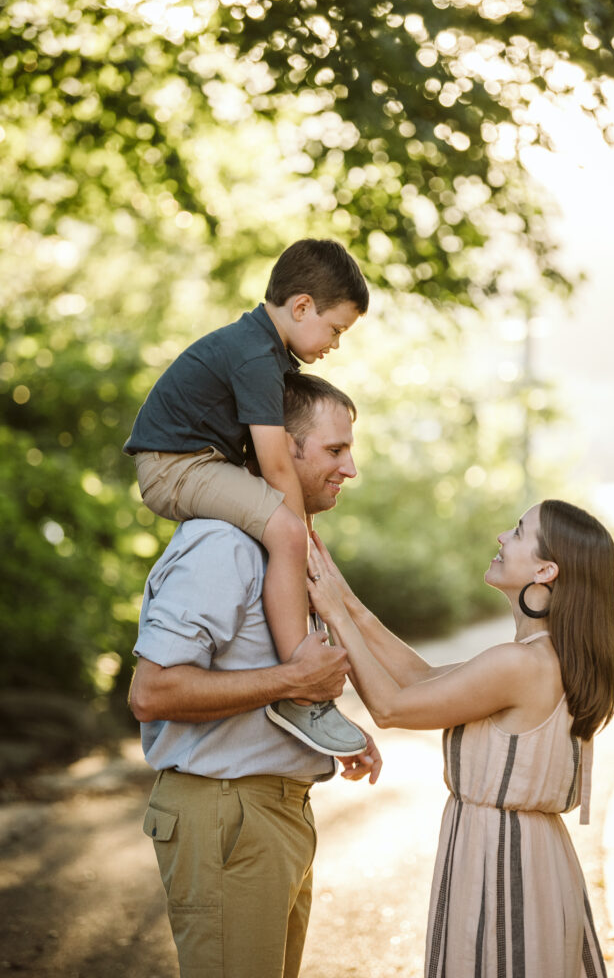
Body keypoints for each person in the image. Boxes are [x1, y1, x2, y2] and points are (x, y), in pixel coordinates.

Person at [128, 373, 382, 978]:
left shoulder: (283, 547)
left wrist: (330, 730)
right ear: (279, 447)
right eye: (334, 450)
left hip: (274, 814)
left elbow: (280, 673)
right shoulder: (224, 543)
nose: (349, 468)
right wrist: (291, 682)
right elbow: (152, 691)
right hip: (227, 816)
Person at [306, 499, 614, 978]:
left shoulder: (520, 664)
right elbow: (421, 678)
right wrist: (345, 599)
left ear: (545, 568)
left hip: (502, 860)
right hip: (530, 855)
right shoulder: (544, 655)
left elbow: (392, 707)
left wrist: (336, 616)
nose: (501, 537)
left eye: (517, 532)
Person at [124, 238, 370, 756]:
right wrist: (299, 534)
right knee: (284, 529)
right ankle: (299, 688)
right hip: (174, 466)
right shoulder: (256, 353)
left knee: (285, 528)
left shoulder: (267, 351)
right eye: (335, 329)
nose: (336, 343)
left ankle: (299, 677)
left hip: (197, 460)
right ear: (301, 306)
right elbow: (277, 461)